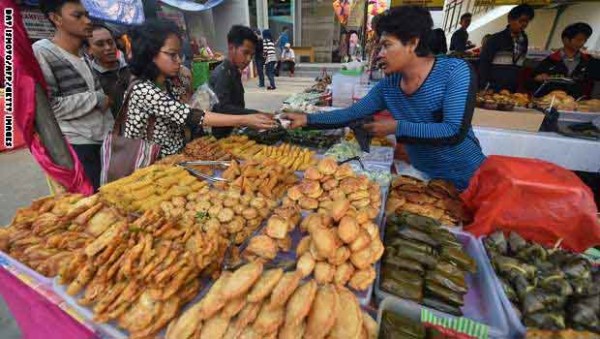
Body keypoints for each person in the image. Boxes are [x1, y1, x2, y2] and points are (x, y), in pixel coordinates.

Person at [283, 6, 485, 190]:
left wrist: (396, 127)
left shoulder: (454, 72)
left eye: (386, 45)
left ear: (413, 43)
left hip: (469, 180)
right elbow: (351, 113)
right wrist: (307, 119)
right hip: (422, 179)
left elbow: (453, 131)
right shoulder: (389, 86)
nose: (379, 54)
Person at [126, 20, 275, 157]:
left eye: (179, 54)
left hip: (176, 161)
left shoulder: (169, 84)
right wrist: (246, 119)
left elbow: (191, 108)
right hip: (149, 169)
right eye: (172, 55)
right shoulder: (142, 91)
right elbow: (190, 115)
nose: (179, 60)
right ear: (150, 53)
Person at [34, 0, 114, 190]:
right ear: (56, 19)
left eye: (87, 15)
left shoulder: (84, 56)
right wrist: (97, 99)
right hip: (78, 145)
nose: (87, 21)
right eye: (77, 16)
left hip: (103, 141)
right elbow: (49, 106)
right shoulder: (43, 52)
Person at [209, 25, 268, 139]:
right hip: (221, 137)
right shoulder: (223, 73)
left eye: (251, 55)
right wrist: (253, 114)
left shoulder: (234, 71)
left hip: (232, 131)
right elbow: (223, 108)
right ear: (232, 48)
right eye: (245, 53)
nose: (249, 59)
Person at [479, 4, 535, 92]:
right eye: (521, 21)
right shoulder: (495, 39)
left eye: (527, 21)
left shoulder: (524, 40)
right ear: (510, 20)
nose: (524, 24)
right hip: (493, 87)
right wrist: (485, 84)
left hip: (511, 88)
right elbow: (483, 63)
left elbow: (519, 64)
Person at [532, 22, 594, 98]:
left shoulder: (586, 61)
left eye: (585, 40)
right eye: (579, 40)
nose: (582, 43)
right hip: (550, 100)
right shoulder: (550, 59)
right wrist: (540, 77)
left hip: (575, 102)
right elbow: (534, 78)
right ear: (566, 40)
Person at [86, 23, 131, 117]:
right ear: (89, 50)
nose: (108, 47)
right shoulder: (90, 78)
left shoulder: (132, 67)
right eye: (100, 44)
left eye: (110, 42)